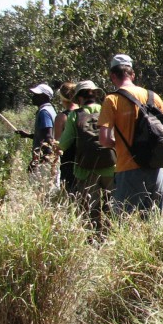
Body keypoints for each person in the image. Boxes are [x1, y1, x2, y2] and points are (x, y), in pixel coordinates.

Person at [98, 54, 163, 215]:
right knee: (153, 222)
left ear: (113, 76)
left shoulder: (112, 100)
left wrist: (118, 144)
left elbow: (104, 140)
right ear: (132, 74)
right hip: (155, 168)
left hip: (127, 169)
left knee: (125, 221)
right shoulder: (153, 97)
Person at [58, 80, 115, 232]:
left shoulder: (74, 116)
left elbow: (64, 143)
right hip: (110, 166)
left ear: (78, 98)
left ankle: (95, 238)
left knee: (92, 208)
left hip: (86, 169)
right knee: (112, 205)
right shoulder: (106, 110)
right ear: (95, 94)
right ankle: (110, 235)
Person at [17, 83, 58, 186]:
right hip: (50, 157)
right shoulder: (51, 110)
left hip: (45, 159)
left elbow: (48, 137)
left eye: (36, 95)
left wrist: (38, 160)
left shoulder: (44, 112)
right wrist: (28, 135)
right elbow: (46, 133)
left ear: (44, 97)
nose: (33, 97)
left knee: (41, 189)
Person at [54, 81, 79, 194]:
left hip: (68, 162)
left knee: (71, 194)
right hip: (85, 159)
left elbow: (58, 144)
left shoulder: (62, 117)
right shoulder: (83, 112)